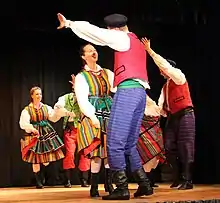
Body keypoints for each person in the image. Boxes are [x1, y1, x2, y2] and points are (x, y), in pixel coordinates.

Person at [56, 12, 153, 200]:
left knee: (114, 143)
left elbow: (95, 32)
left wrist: (69, 23)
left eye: (109, 30)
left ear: (114, 28)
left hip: (128, 91)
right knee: (129, 144)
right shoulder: (137, 42)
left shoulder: (121, 37)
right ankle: (144, 184)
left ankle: (122, 188)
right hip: (140, 93)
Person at [141, 37, 195, 190]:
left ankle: (188, 180)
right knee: (169, 147)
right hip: (173, 117)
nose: (160, 71)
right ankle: (177, 177)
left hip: (185, 114)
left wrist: (150, 51)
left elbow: (165, 65)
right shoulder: (165, 87)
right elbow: (159, 108)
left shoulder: (178, 76)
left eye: (163, 68)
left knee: (186, 147)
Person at [74, 43, 115, 197]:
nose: (94, 52)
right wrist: (92, 116)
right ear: (84, 56)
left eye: (95, 50)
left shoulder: (106, 72)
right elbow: (82, 100)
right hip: (93, 111)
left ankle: (109, 184)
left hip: (108, 110)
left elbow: (117, 86)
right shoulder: (81, 77)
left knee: (109, 149)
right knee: (97, 150)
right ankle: (94, 187)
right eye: (90, 51)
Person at [19, 86, 74, 189]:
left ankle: (43, 176)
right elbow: (23, 123)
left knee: (46, 160)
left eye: (40, 94)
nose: (39, 96)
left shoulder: (46, 107)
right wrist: (31, 129)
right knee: (36, 158)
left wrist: (62, 113)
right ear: (32, 96)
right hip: (34, 134)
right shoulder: (27, 110)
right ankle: (38, 181)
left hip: (46, 132)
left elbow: (53, 118)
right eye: (36, 94)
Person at [54, 75, 90, 188]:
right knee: (69, 154)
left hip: (83, 130)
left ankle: (84, 180)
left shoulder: (85, 98)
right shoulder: (66, 97)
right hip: (70, 131)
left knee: (85, 154)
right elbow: (58, 106)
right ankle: (67, 180)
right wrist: (67, 113)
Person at [137, 96, 166, 187]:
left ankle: (149, 181)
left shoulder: (147, 98)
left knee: (154, 156)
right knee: (148, 154)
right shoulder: (136, 97)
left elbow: (159, 111)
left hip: (153, 129)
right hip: (144, 129)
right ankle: (146, 182)